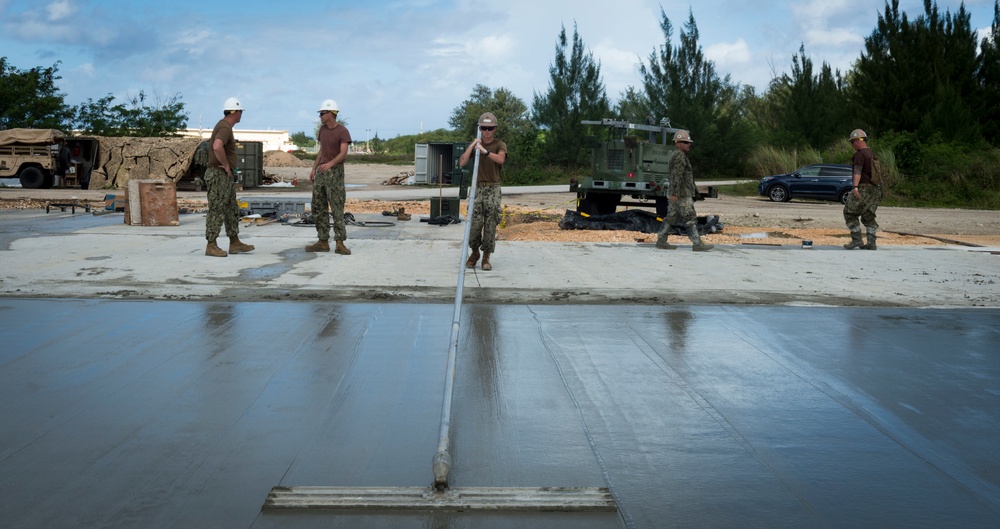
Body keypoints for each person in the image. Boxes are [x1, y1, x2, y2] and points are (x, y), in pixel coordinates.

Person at [204, 97, 255, 257]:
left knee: (231, 209)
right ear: (236, 112)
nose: (241, 115)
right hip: (219, 174)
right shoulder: (225, 127)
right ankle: (211, 245)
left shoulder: (225, 126)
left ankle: (235, 242)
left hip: (223, 176)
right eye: (240, 112)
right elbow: (217, 146)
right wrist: (226, 165)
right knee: (217, 209)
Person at [459, 112, 507, 270]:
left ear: (494, 129)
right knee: (474, 225)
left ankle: (486, 257)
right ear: (480, 128)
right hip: (478, 188)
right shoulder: (476, 145)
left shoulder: (499, 144)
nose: (487, 131)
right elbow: (462, 162)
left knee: (490, 224)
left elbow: (500, 159)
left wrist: (485, 151)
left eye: (490, 128)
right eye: (484, 128)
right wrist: (473, 145)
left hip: (493, 188)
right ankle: (474, 253)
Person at [306, 99, 353, 255]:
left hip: (335, 172)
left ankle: (340, 242)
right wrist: (314, 169)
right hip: (322, 171)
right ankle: (322, 241)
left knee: (337, 206)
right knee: (318, 206)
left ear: (331, 114)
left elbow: (343, 153)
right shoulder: (322, 130)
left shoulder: (342, 132)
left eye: (322, 113)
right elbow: (321, 151)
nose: (320, 116)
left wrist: (331, 164)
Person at [655, 130, 713, 252]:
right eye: (685, 142)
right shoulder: (679, 156)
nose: (688, 144)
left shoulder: (677, 155)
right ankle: (697, 243)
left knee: (671, 217)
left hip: (678, 193)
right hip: (682, 193)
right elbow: (677, 175)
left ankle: (661, 240)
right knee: (690, 217)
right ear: (678, 143)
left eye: (688, 142)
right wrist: (676, 192)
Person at [843, 129, 881, 250]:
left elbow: (857, 172)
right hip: (875, 189)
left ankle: (857, 240)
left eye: (853, 142)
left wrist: (855, 187)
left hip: (863, 187)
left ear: (859, 140)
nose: (852, 145)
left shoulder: (859, 155)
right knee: (868, 215)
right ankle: (871, 242)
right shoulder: (872, 154)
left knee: (849, 212)